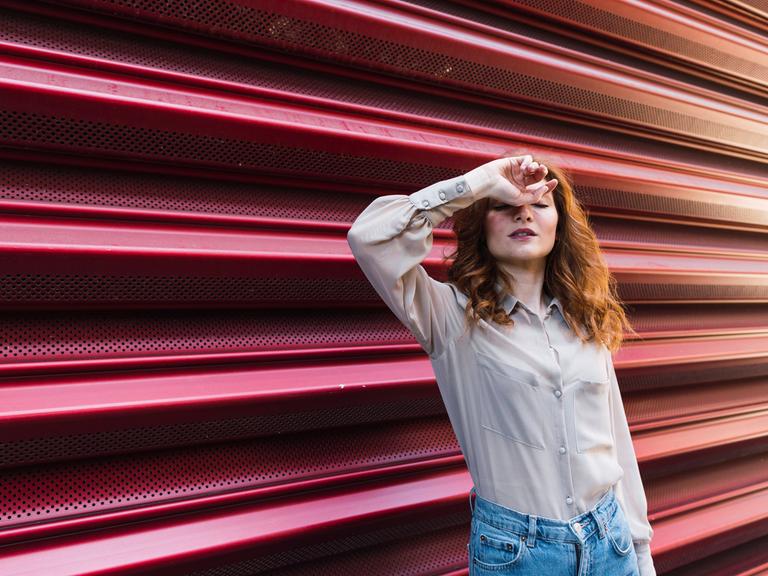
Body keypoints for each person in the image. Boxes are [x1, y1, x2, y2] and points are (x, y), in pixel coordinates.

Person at [346, 154, 655, 575]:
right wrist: (479, 183)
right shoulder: (451, 317)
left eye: (540, 205)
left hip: (609, 543)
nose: (523, 213)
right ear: (482, 225)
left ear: (559, 226)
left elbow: (615, 439)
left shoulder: (586, 321)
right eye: (504, 206)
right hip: (519, 556)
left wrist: (639, 548)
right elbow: (369, 239)